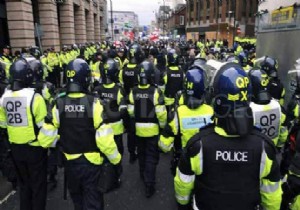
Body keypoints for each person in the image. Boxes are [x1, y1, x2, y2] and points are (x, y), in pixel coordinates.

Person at [174, 63, 282, 210]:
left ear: (217, 100)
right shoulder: (264, 148)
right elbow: (272, 195)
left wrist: (183, 205)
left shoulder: (197, 145)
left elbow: (183, 185)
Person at [38, 58, 121, 210]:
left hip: (70, 164)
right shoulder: (94, 103)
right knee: (93, 203)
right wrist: (116, 160)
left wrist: (63, 137)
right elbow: (105, 141)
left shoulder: (58, 103)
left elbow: (45, 140)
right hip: (92, 164)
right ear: (85, 78)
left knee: (78, 202)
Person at [0, 58, 48, 210]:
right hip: (35, 148)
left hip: (15, 149)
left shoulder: (4, 98)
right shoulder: (35, 97)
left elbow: (3, 125)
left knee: (24, 186)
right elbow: (44, 127)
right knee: (38, 186)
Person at [159, 67, 214, 175]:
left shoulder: (177, 113)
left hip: (183, 162)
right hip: (206, 163)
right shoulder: (211, 111)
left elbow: (164, 146)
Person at [128, 60, 167, 197]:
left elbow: (131, 112)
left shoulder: (133, 92)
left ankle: (142, 174)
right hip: (153, 131)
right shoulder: (156, 92)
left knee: (142, 154)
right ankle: (149, 184)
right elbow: (161, 114)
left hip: (139, 130)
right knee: (151, 157)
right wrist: (162, 127)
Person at [248, 69, 288, 149]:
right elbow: (283, 134)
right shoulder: (279, 107)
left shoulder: (249, 110)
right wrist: (278, 147)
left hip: (254, 152)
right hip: (271, 150)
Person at [119, 43, 144, 163]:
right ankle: (140, 150)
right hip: (140, 102)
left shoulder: (123, 70)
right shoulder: (140, 69)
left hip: (128, 102)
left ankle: (131, 153)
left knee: (130, 131)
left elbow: (121, 85)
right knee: (139, 128)